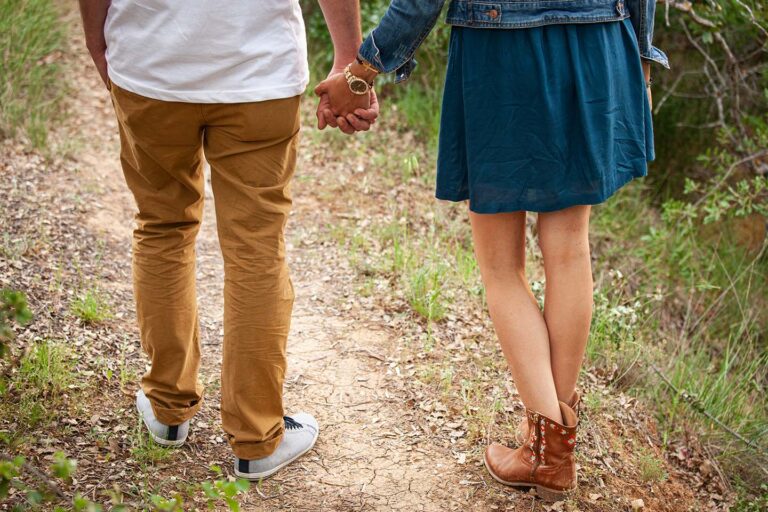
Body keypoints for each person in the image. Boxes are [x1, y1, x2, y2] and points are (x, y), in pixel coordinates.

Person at [315, 0, 666, 501]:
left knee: (501, 266)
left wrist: (362, 71)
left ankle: (547, 450)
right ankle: (551, 441)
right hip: (599, 41)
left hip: (502, 51)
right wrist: (641, 59)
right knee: (569, 246)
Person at [78, 0, 377, 480]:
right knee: (256, 248)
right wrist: (348, 62)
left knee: (162, 227)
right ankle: (257, 438)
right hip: (257, 72)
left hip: (150, 64)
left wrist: (99, 42)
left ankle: (167, 408)